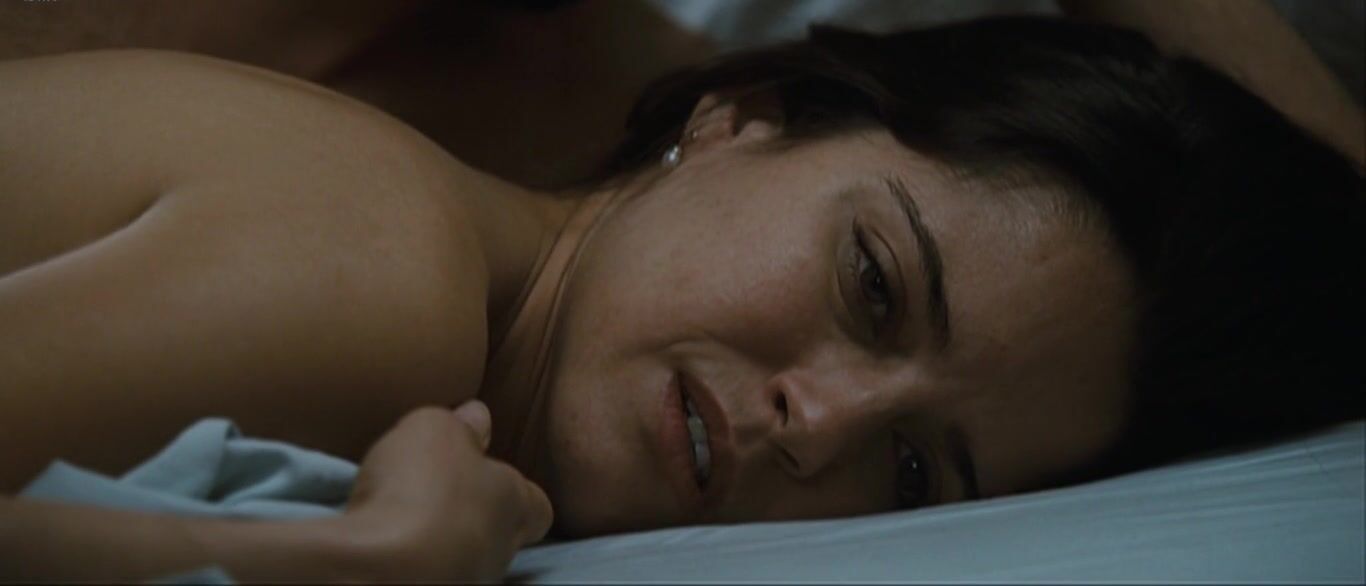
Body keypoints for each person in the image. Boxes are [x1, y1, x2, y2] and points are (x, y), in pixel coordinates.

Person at [2, 4, 1363, 584]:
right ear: (740, 115)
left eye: (909, 472)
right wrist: (343, 567)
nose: (819, 422)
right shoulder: (383, 279)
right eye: (873, 285)